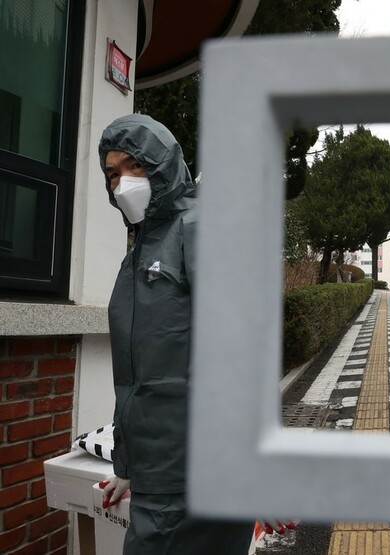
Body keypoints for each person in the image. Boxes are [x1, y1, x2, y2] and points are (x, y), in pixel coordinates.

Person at [97, 114, 257, 554]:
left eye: (135, 165)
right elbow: (134, 373)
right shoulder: (141, 249)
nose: (123, 182)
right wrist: (127, 464)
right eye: (112, 173)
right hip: (159, 475)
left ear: (163, 164)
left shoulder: (200, 229)